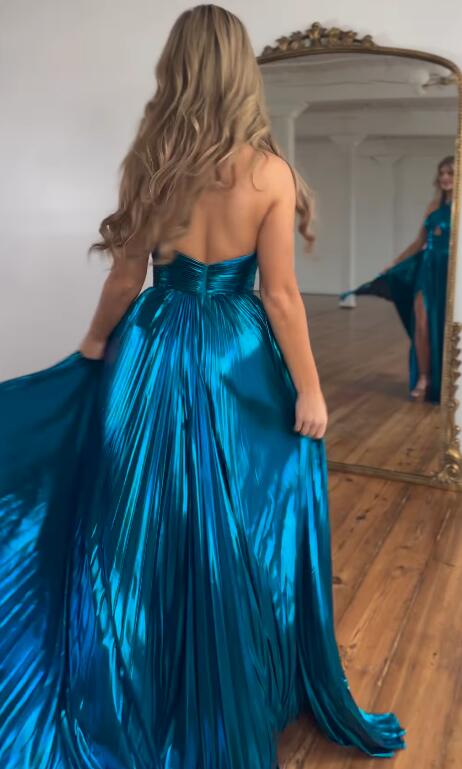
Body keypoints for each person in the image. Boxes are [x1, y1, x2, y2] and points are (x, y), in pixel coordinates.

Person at [0, 5, 406, 768]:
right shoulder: (271, 172)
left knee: (138, 519)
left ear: (176, 70)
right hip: (234, 353)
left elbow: (126, 278)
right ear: (242, 74)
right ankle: (229, 683)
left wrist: (92, 347)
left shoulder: (150, 164)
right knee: (241, 515)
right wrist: (311, 390)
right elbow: (280, 296)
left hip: (151, 343)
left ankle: (134, 683)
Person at [340, 155, 454, 403]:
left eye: (451, 173)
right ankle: (424, 377)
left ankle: (450, 381)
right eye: (442, 173)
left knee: (447, 326)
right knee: (422, 323)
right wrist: (394, 263)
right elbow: (419, 242)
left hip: (451, 273)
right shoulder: (433, 206)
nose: (445, 177)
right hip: (427, 269)